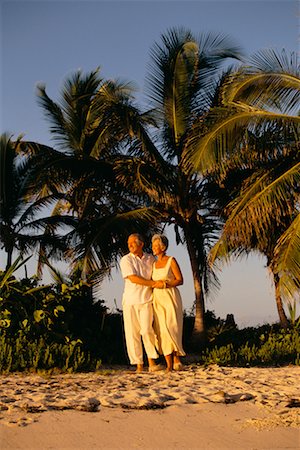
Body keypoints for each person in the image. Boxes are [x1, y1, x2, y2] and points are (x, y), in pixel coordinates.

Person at [120, 233, 164, 373]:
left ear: (141, 244)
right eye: (128, 243)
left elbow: (158, 271)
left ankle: (152, 361)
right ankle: (138, 364)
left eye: (132, 242)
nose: (130, 245)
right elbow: (133, 278)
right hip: (130, 301)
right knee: (132, 333)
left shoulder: (150, 258)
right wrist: (153, 283)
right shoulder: (126, 260)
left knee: (147, 330)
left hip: (146, 300)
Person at [151, 234, 186, 372]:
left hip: (170, 296)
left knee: (172, 327)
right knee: (161, 328)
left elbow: (180, 280)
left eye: (156, 246)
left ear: (163, 247)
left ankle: (176, 358)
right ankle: (168, 364)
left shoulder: (171, 260)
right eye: (153, 246)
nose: (153, 248)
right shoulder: (153, 264)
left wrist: (166, 284)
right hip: (157, 298)